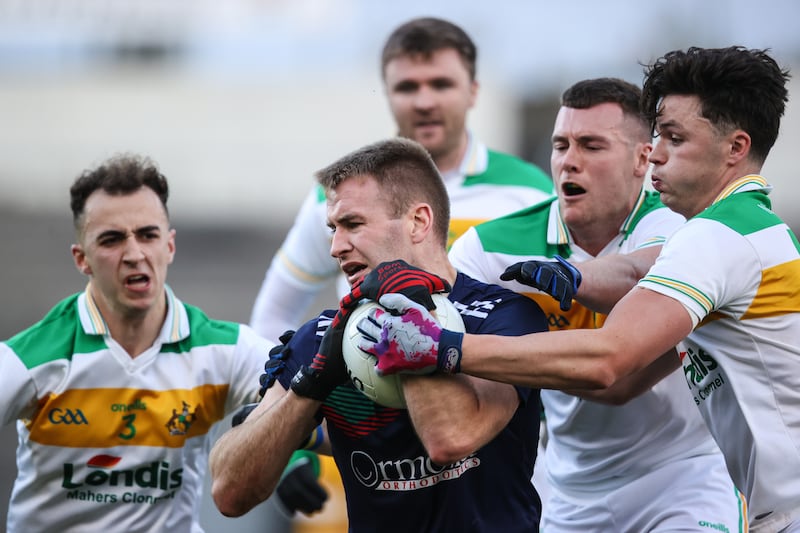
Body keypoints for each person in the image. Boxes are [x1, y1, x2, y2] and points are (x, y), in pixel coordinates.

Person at [357, 46, 799, 532]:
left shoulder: (711, 235)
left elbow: (610, 364)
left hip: (699, 485)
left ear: (736, 148)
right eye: (561, 144)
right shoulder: (744, 228)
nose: (660, 154)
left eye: (674, 138)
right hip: (574, 493)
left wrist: (445, 348)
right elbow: (634, 275)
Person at [448, 77, 744, 531]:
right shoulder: (488, 249)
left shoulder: (684, 228)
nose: (569, 161)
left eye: (591, 145)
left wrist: (484, 353)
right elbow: (433, 339)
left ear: (643, 158)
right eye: (560, 145)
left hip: (684, 474)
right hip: (566, 490)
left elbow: (618, 380)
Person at [209, 138, 550, 531]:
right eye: (332, 228)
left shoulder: (505, 316)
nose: (336, 247)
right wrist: (309, 386)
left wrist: (405, 312)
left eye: (353, 224)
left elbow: (450, 439)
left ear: (418, 222)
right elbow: (228, 493)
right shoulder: (323, 335)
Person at [0, 155, 274, 533]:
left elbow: (313, 403)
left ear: (170, 246)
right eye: (112, 240)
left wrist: (290, 459)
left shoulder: (223, 349)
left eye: (147, 235)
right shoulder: (29, 358)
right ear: (82, 259)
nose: (134, 254)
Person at [249, 16, 553, 343]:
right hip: (368, 390)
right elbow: (273, 314)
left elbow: (566, 318)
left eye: (441, 84)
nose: (424, 102)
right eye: (407, 87)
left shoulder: (530, 192)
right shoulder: (337, 196)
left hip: (492, 392)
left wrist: (543, 394)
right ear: (388, 94)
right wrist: (287, 383)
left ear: (473, 92)